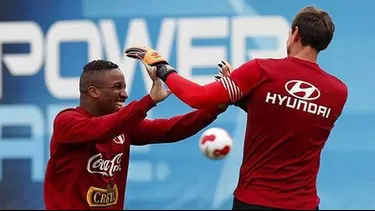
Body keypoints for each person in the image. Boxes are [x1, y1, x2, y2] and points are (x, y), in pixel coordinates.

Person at [125, 5, 348, 210]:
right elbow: (289, 116)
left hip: (254, 201)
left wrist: (162, 68)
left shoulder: (262, 70)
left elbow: (197, 97)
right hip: (304, 204)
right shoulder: (338, 92)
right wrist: (242, 96)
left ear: (295, 33)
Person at [43, 59, 227, 209]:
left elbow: (170, 129)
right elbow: (102, 128)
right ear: (93, 92)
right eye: (117, 87)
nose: (124, 93)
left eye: (124, 87)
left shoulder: (122, 125)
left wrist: (215, 107)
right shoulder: (67, 122)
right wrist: (149, 101)